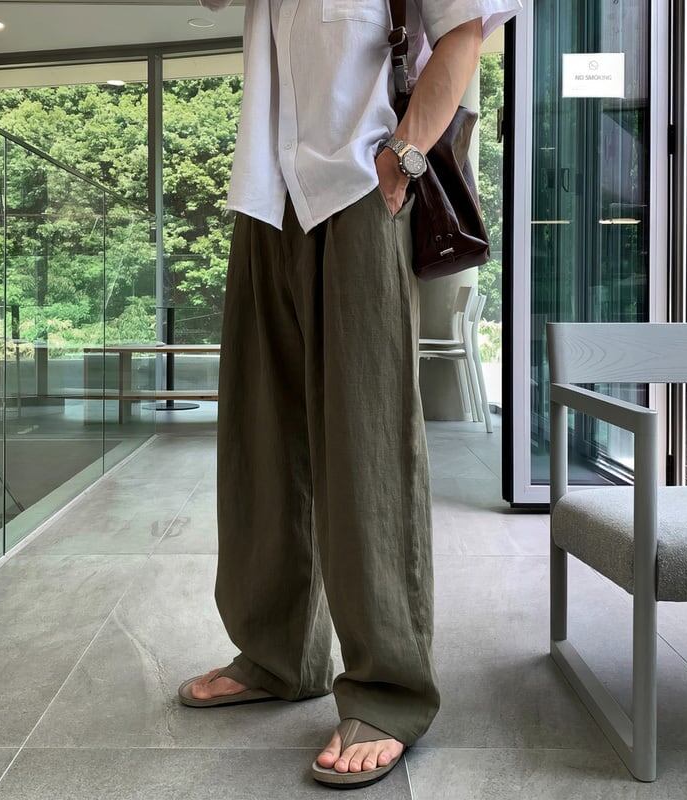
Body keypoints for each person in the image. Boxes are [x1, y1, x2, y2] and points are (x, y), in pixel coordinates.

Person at [178, 0, 522, 789]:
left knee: (365, 443)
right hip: (265, 193)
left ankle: (389, 688)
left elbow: (463, 33)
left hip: (361, 188)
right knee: (261, 442)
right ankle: (277, 655)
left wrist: (403, 158)